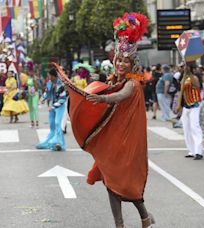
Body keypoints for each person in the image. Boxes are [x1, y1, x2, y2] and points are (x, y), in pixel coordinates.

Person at [74, 13, 153, 227]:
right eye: (119, 59)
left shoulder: (133, 83)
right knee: (111, 181)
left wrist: (101, 97)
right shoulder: (114, 79)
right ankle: (122, 223)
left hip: (127, 142)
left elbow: (120, 96)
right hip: (113, 139)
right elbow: (104, 90)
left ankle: (144, 216)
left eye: (126, 60)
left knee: (125, 183)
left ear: (133, 63)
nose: (121, 63)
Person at [36, 68, 67, 151]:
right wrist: (41, 99)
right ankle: (51, 141)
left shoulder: (61, 85)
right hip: (52, 105)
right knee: (52, 125)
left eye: (49, 76)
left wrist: (53, 106)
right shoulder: (50, 83)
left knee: (57, 123)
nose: (48, 77)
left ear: (53, 76)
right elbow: (46, 92)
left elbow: (62, 98)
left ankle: (59, 143)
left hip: (59, 106)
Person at [177, 62, 204, 160]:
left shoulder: (195, 77)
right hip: (186, 106)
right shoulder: (183, 77)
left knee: (194, 127)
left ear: (190, 67)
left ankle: (198, 151)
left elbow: (196, 85)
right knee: (186, 129)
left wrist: (189, 74)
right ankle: (191, 150)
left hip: (195, 105)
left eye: (185, 66)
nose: (183, 68)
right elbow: (181, 90)